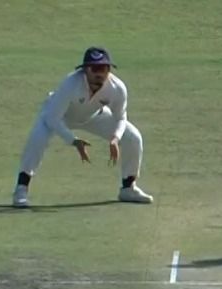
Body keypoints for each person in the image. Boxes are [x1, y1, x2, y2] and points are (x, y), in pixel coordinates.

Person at [12, 47, 154, 208]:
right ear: (86, 70)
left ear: (109, 70)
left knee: (133, 137)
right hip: (58, 116)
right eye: (94, 69)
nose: (99, 73)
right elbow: (53, 118)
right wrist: (73, 141)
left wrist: (115, 138)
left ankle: (128, 187)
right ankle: (21, 189)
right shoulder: (70, 84)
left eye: (103, 68)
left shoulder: (117, 88)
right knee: (37, 140)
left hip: (93, 116)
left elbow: (120, 117)